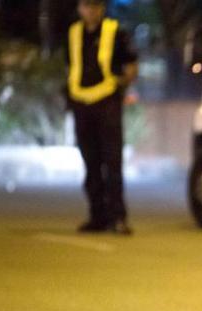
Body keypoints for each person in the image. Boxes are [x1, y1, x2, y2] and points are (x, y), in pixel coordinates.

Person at [65, 0, 137, 234]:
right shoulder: (74, 33)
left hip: (107, 102)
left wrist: (122, 86)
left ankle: (118, 217)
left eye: (95, 6)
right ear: (79, 8)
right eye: (86, 6)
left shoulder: (116, 32)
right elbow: (70, 66)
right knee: (90, 162)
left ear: (102, 9)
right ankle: (97, 216)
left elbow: (130, 66)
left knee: (112, 162)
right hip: (81, 103)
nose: (90, 11)